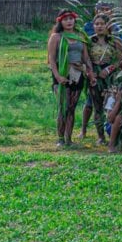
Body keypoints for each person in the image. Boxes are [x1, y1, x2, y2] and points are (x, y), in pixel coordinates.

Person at [47, 10, 96, 148]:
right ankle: (60, 139)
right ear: (60, 22)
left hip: (78, 74)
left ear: (74, 20)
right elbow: (51, 59)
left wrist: (90, 73)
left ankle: (69, 139)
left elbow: (86, 57)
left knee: (71, 108)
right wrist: (58, 76)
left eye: (71, 19)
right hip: (62, 74)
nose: (69, 21)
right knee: (63, 106)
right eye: (65, 19)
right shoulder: (56, 37)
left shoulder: (80, 36)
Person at [80, 14, 122, 145]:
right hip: (94, 76)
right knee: (97, 106)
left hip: (110, 77)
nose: (99, 26)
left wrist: (108, 69)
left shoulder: (114, 41)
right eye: (97, 24)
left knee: (111, 104)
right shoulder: (88, 42)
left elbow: (121, 59)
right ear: (93, 26)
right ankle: (100, 136)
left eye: (102, 24)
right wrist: (90, 73)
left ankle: (114, 134)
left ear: (107, 26)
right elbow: (85, 59)